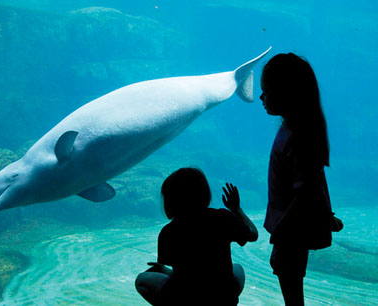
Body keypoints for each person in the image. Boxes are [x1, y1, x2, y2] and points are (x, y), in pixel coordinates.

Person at [260, 53, 344, 306]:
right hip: (292, 226)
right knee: (290, 282)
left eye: (267, 91)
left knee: (292, 289)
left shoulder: (297, 137)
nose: (262, 98)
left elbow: (304, 190)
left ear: (287, 93)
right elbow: (312, 183)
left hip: (291, 230)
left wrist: (281, 235)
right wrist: (324, 215)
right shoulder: (298, 130)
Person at [135, 167, 258, 305]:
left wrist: (164, 270)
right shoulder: (222, 217)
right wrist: (236, 209)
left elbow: (185, 276)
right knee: (238, 268)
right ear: (204, 194)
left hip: (187, 298)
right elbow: (253, 234)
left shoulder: (169, 231)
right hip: (224, 297)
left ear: (170, 201)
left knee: (141, 280)